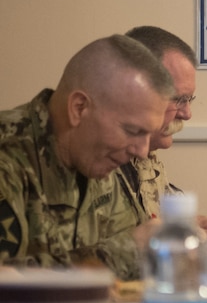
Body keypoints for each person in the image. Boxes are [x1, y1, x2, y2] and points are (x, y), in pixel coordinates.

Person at [0, 35, 174, 278]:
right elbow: (7, 284)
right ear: (79, 108)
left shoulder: (102, 161)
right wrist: (128, 251)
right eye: (133, 131)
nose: (142, 151)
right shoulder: (8, 158)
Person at [122, 26, 207, 235]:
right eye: (178, 99)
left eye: (189, 100)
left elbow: (166, 232)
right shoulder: (101, 161)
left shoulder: (147, 160)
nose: (187, 114)